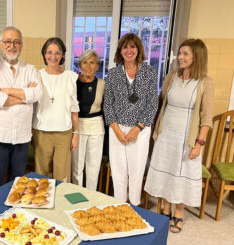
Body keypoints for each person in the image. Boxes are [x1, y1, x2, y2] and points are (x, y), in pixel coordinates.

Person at [144, 39, 213, 233]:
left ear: (196, 57)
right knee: (166, 172)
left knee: (182, 175)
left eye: (185, 54)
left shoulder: (205, 82)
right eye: (180, 53)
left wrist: (199, 144)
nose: (180, 57)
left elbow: (206, 118)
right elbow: (160, 102)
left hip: (187, 138)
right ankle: (166, 210)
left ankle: (178, 213)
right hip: (166, 134)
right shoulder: (171, 77)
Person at [104, 33, 158, 206]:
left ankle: (135, 206)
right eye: (125, 47)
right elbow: (108, 105)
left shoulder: (149, 72)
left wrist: (137, 129)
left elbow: (152, 104)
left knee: (136, 171)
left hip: (140, 130)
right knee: (119, 171)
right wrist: (118, 131)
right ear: (120, 50)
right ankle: (120, 206)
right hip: (117, 129)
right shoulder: (113, 74)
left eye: (132, 46)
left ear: (138, 49)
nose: (129, 50)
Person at [0, 26, 42, 190]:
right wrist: (25, 97)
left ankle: (15, 215)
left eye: (16, 42)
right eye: (8, 41)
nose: (12, 46)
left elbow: (37, 94)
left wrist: (8, 92)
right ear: (1, 44)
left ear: (21, 45)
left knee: (18, 183)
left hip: (22, 137)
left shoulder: (30, 70)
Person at [32, 37, 79, 182]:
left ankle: (61, 203)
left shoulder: (70, 77)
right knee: (41, 175)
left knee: (62, 175)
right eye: (49, 52)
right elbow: (31, 103)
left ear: (63, 54)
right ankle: (43, 203)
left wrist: (76, 133)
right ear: (44, 54)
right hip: (41, 131)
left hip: (63, 132)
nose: (53, 56)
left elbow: (74, 108)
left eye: (57, 53)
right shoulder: (36, 75)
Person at [71, 49, 105, 190]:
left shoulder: (103, 84)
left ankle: (91, 196)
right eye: (85, 62)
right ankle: (76, 194)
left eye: (92, 63)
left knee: (93, 166)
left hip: (96, 127)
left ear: (97, 66)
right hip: (77, 127)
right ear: (80, 65)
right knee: (77, 166)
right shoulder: (72, 81)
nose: (88, 66)